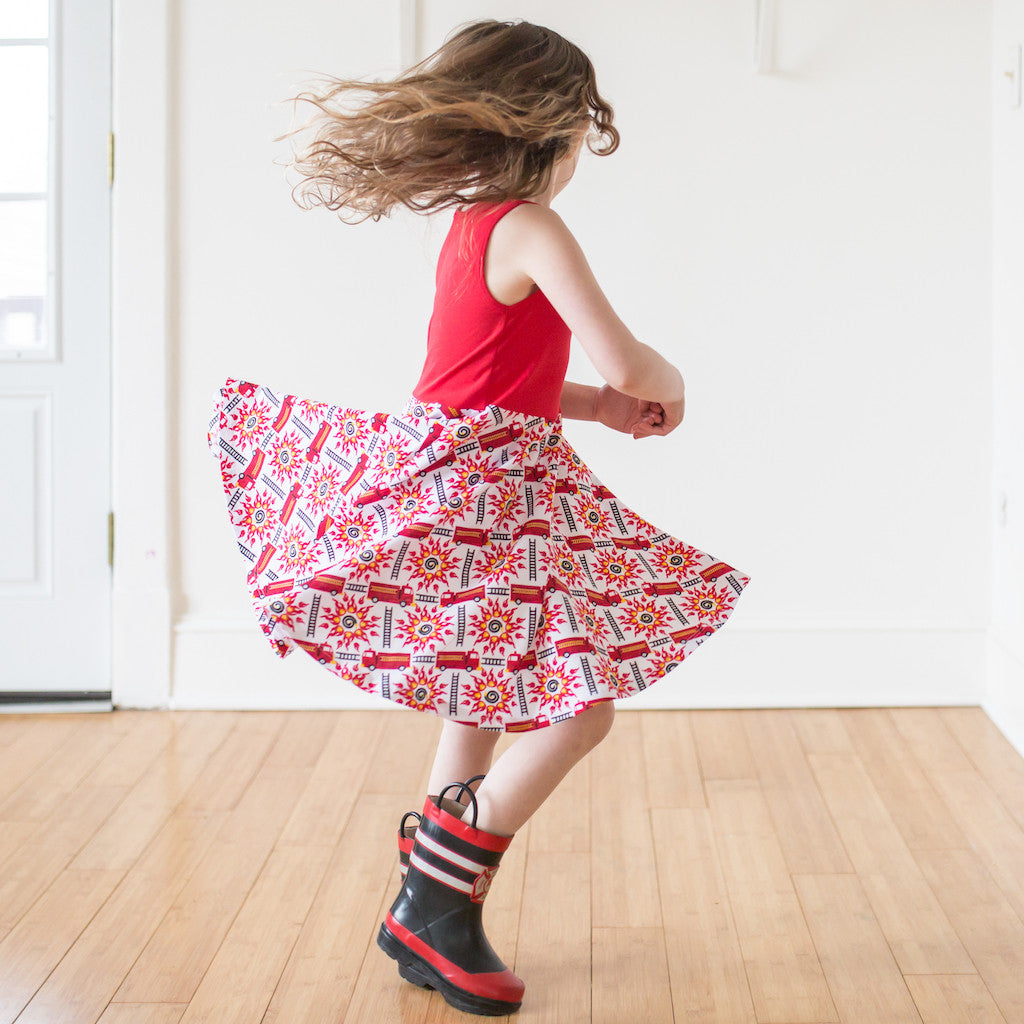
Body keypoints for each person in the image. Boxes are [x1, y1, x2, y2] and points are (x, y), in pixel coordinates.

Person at [206, 18, 751, 1017]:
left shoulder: (472, 223)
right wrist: (659, 382)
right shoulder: (532, 225)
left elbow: (493, 381)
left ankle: (430, 902)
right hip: (486, 494)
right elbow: (627, 359)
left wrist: (599, 407)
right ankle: (436, 895)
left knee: (484, 688)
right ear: (554, 126)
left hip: (477, 471)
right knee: (579, 705)